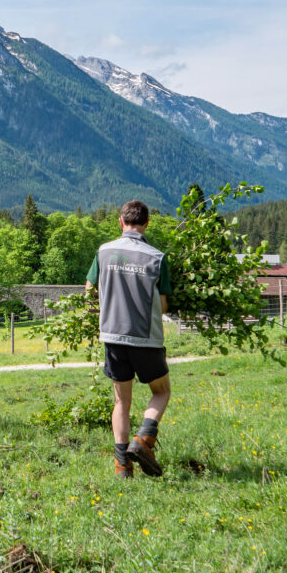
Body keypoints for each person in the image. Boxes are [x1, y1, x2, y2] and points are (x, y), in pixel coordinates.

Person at [85, 200, 172, 479]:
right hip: (146, 338)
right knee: (161, 391)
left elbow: (89, 293)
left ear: (121, 223)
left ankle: (123, 467)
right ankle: (144, 440)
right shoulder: (157, 257)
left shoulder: (103, 251)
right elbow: (164, 305)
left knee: (121, 402)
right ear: (147, 224)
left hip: (112, 337)